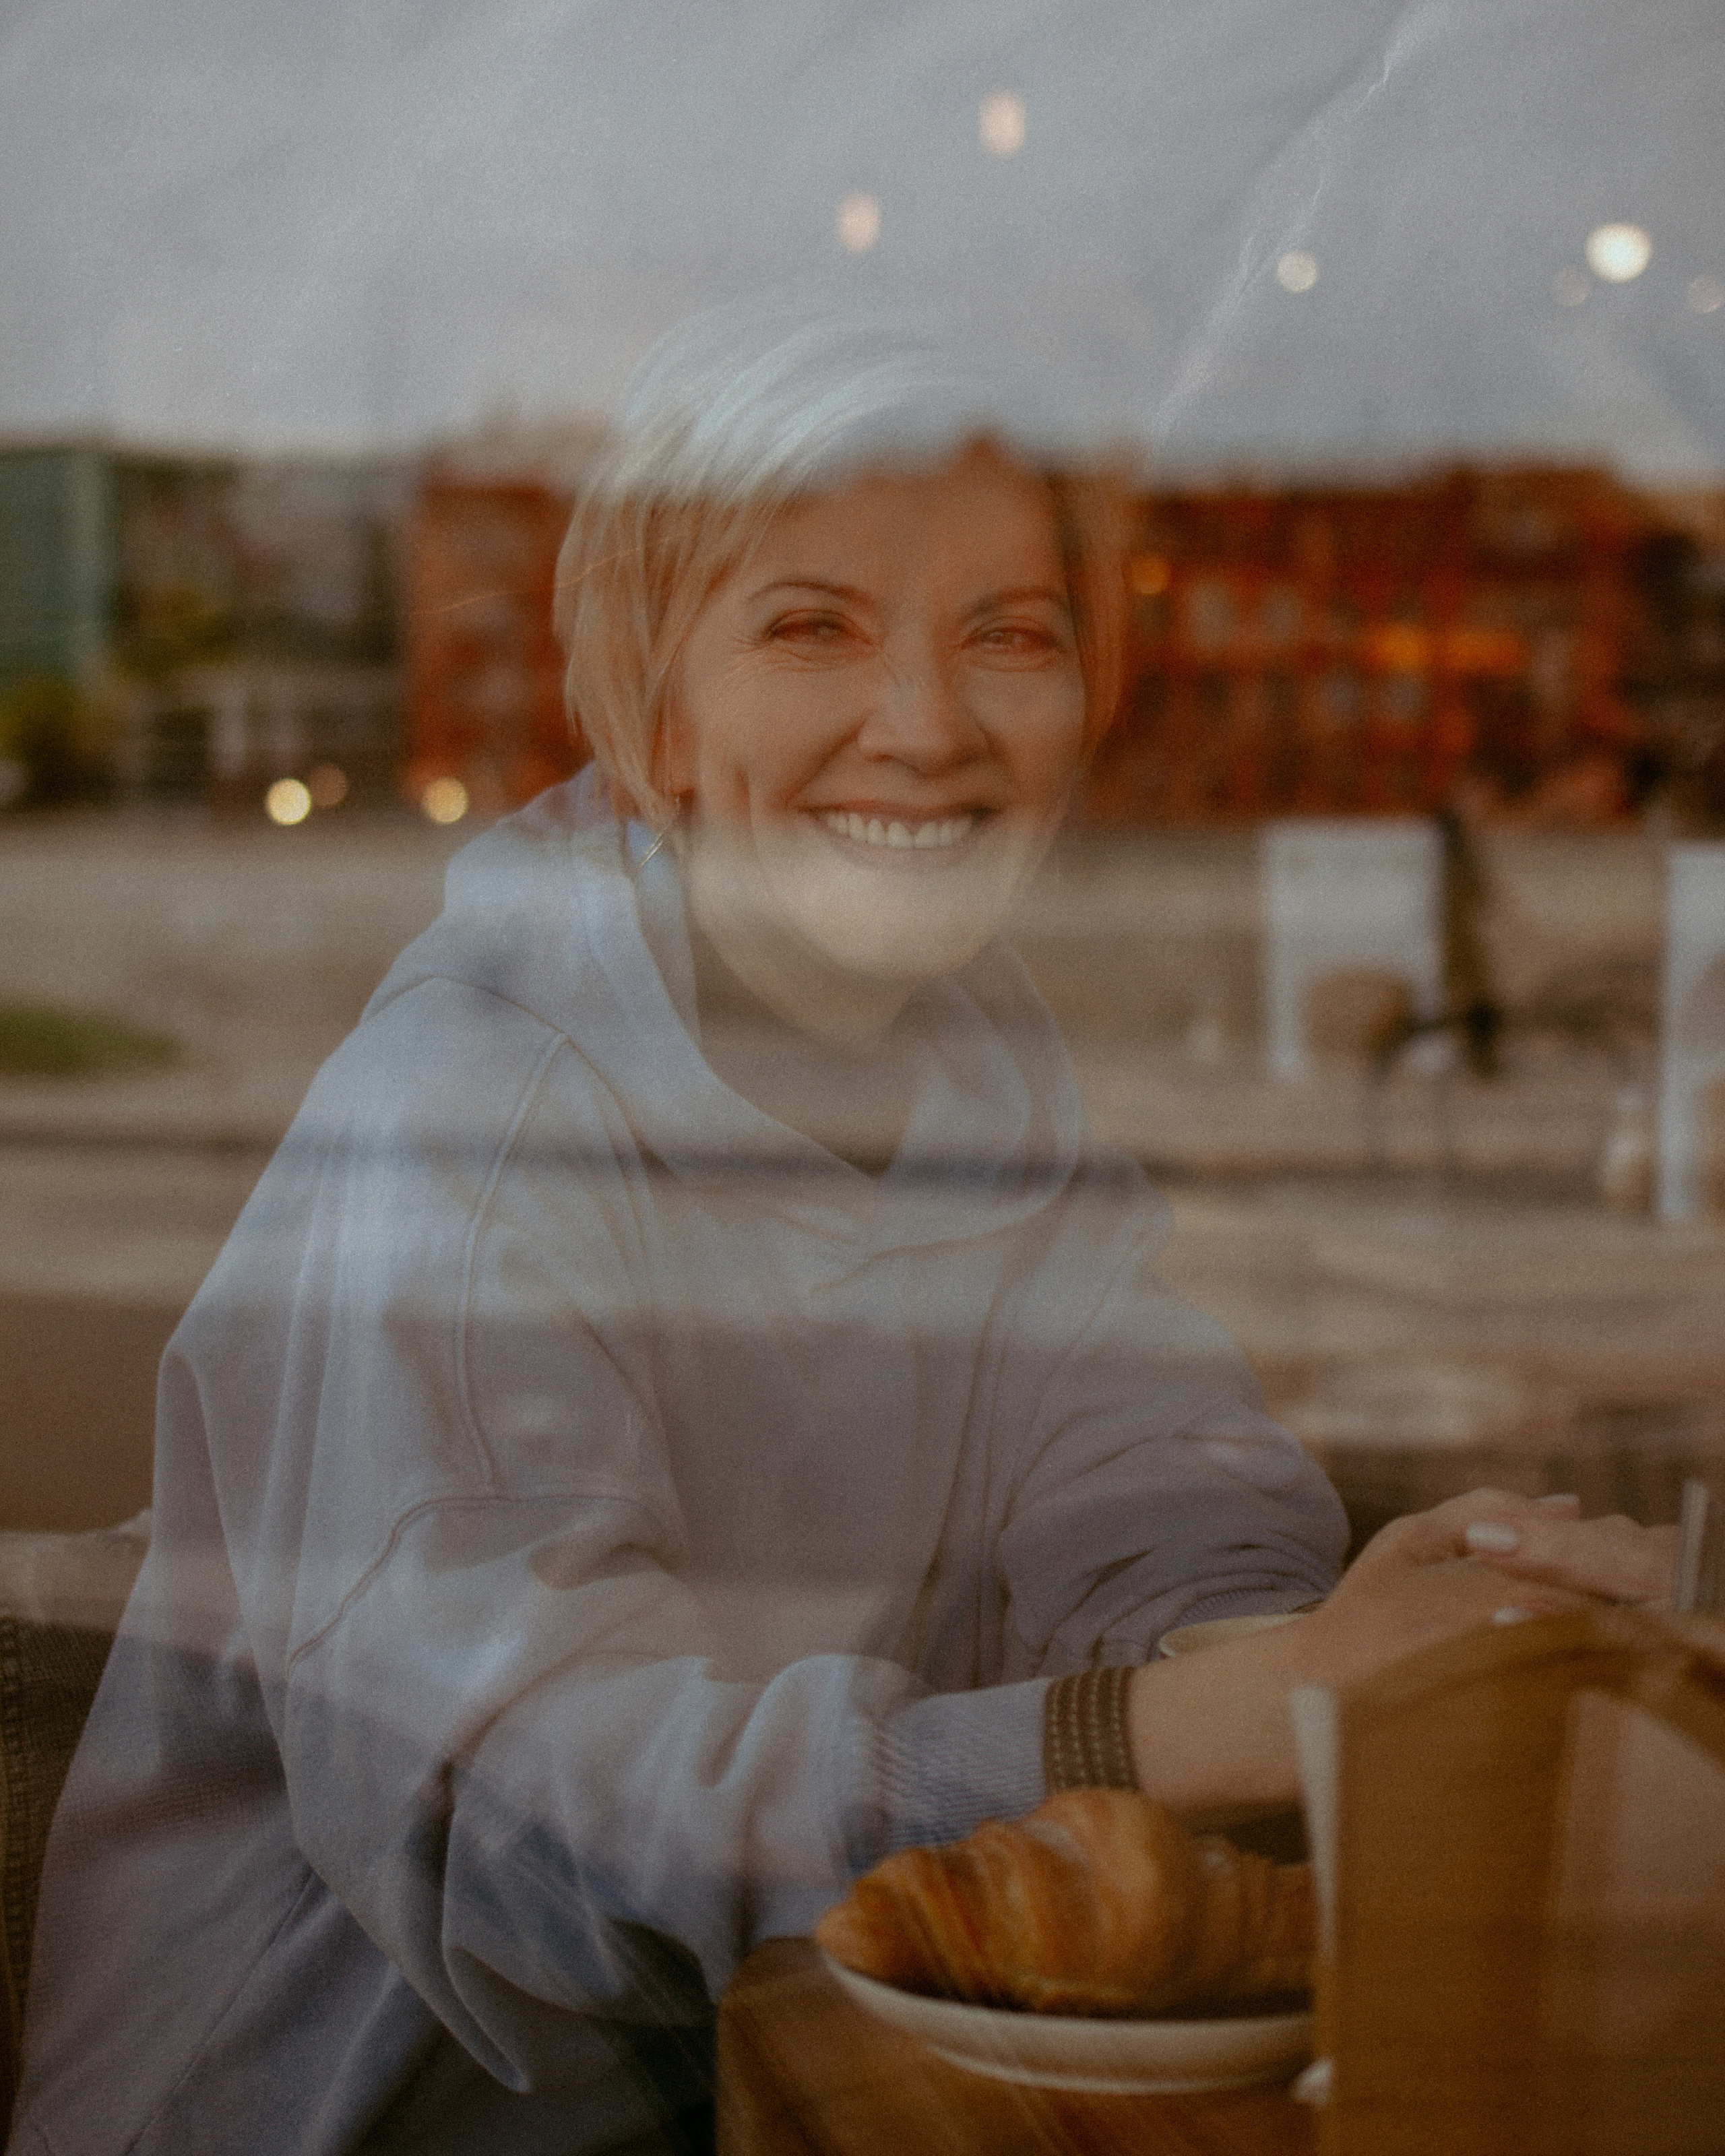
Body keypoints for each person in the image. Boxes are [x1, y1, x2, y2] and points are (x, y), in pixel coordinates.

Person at [13, 308, 1674, 2156]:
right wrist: (1220, 1725)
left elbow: (1149, 1497)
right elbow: (537, 1855)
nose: (932, 726)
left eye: (1011, 635)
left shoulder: (975, 1064)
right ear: (651, 713)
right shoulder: (473, 1112)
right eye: (812, 626)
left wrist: (1363, 1651)